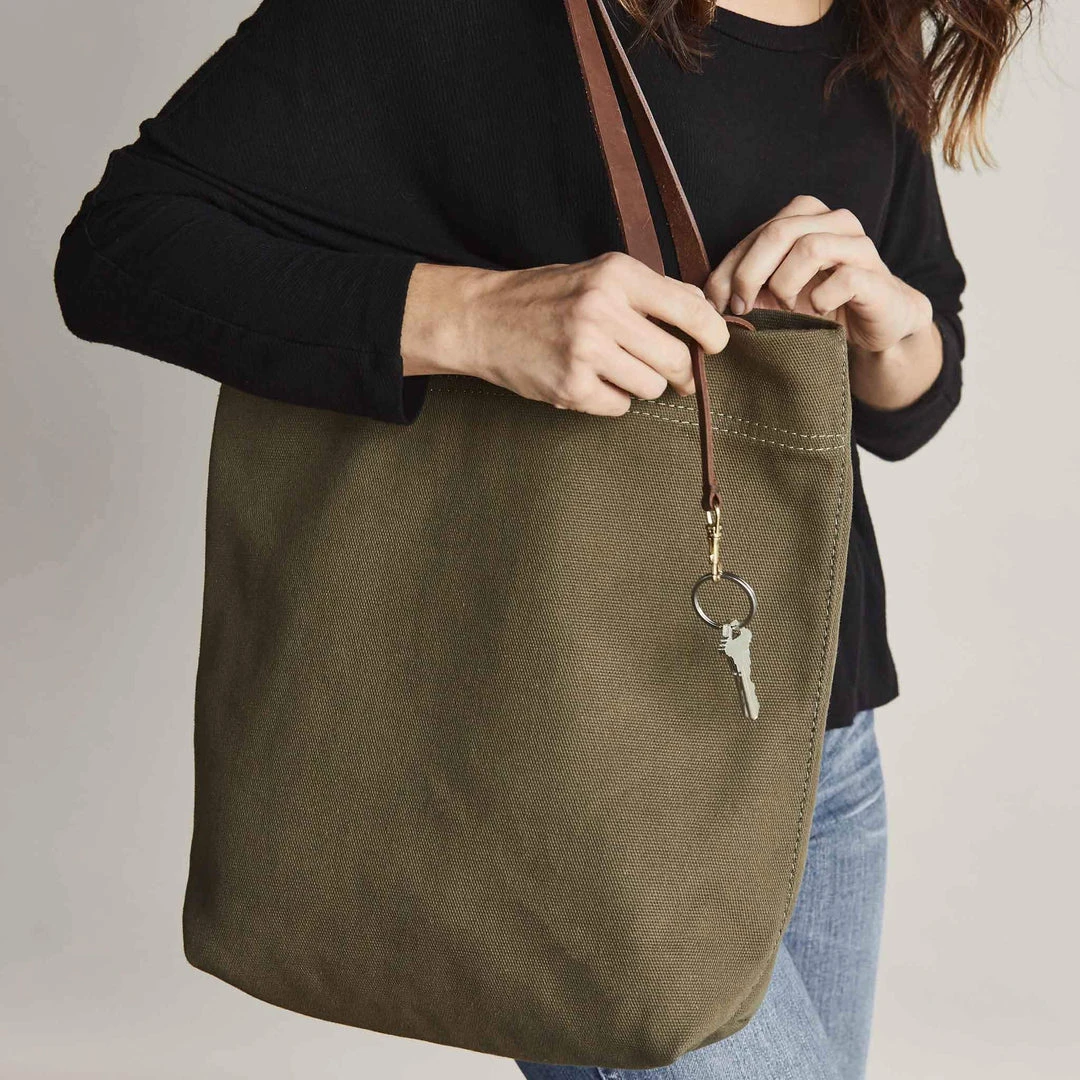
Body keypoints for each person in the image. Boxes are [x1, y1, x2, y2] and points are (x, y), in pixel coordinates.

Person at [52, 1, 1038, 1077]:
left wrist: (894, 329)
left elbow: (906, 406)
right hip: (584, 760)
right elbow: (119, 248)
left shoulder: (875, 24)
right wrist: (477, 320)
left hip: (825, 742)